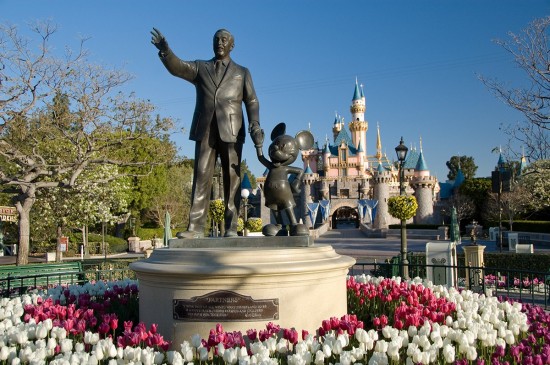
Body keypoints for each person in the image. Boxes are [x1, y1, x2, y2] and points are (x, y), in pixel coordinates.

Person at [151, 28, 263, 238]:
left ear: (232, 45)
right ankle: (195, 227)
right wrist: (166, 51)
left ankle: (231, 227)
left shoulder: (242, 72)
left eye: (224, 40)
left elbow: (252, 100)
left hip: (232, 129)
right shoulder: (201, 67)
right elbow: (179, 68)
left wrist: (254, 123)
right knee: (201, 176)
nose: (220, 42)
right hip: (205, 129)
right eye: (216, 39)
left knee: (232, 179)